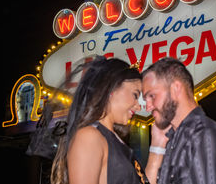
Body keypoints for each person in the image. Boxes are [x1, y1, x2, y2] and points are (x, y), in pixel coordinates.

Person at [51, 56, 149, 184]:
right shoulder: (89, 137)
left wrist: (159, 143)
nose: (138, 105)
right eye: (135, 95)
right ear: (111, 88)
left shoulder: (113, 140)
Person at [143, 57, 216, 184]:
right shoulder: (173, 141)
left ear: (176, 88)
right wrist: (157, 145)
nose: (148, 107)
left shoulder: (205, 136)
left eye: (152, 96)